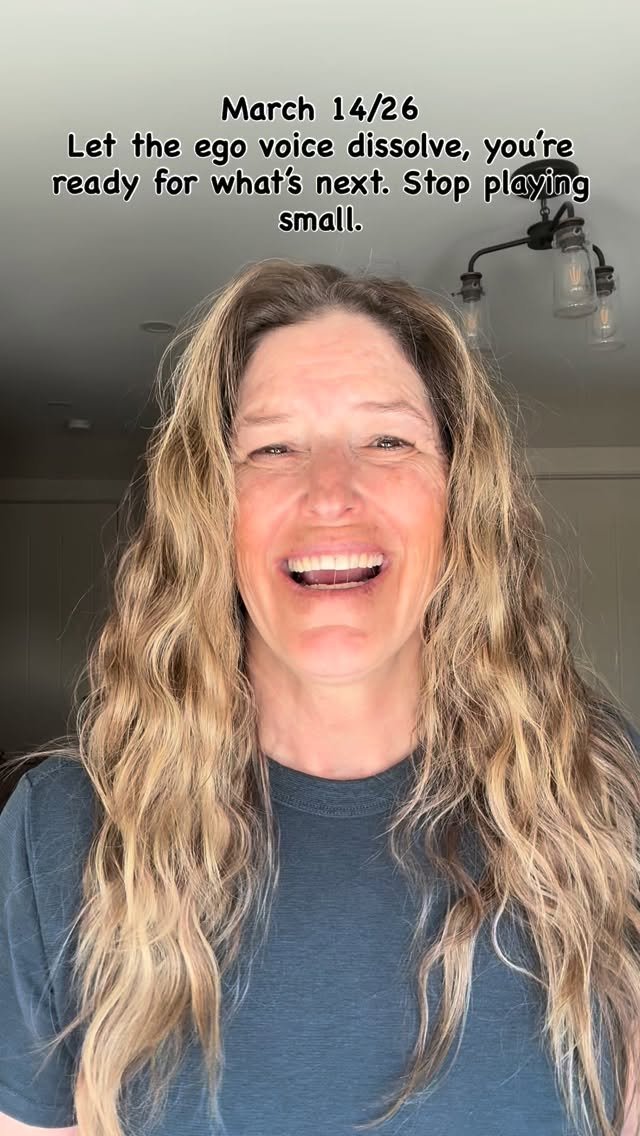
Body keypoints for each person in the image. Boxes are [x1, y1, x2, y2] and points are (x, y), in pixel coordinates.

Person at [0, 259, 639, 1136]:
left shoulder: (602, 795)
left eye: (387, 441)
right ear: (211, 508)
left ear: (459, 495)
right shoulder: (61, 831)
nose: (331, 493)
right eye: (272, 448)